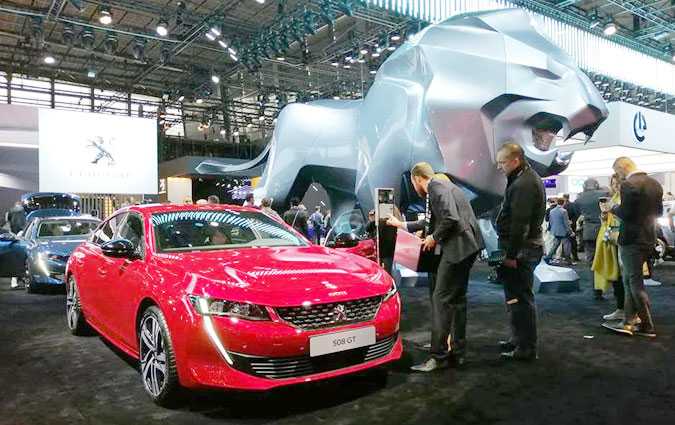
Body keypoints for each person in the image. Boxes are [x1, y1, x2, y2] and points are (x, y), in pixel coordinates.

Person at [387, 162, 483, 372]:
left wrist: (433, 237)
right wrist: (402, 225)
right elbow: (432, 220)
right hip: (467, 247)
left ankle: (438, 356)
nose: (414, 188)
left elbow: (450, 218)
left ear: (417, 178)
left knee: (441, 299)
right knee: (457, 300)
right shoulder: (443, 186)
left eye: (413, 183)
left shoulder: (436, 187)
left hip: (457, 248)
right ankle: (458, 352)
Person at [495, 143, 545, 361]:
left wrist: (511, 255)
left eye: (502, 162)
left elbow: (520, 225)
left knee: (521, 299)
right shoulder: (524, 178)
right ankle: (518, 339)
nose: (499, 167)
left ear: (515, 160)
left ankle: (526, 347)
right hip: (522, 248)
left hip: (521, 250)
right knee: (515, 298)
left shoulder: (524, 183)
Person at [603, 157, 662, 337]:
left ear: (622, 168)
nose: (618, 176)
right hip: (648, 238)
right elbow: (658, 212)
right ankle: (628, 321)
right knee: (630, 281)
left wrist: (612, 208)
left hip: (631, 240)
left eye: (618, 171)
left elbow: (625, 214)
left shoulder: (629, 184)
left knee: (634, 283)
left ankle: (647, 325)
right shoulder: (655, 184)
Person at [593, 174, 624, 320]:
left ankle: (627, 310)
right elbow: (608, 220)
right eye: (613, 183)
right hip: (611, 240)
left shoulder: (624, 198)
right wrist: (605, 215)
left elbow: (624, 217)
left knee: (624, 278)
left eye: (618, 183)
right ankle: (621, 308)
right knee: (616, 276)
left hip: (622, 240)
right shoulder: (614, 198)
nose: (615, 185)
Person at [573, 178, 610, 299]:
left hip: (588, 232)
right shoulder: (604, 194)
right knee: (609, 260)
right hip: (604, 230)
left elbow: (576, 213)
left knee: (592, 263)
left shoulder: (579, 198)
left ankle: (597, 291)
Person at [544, 198, 573, 265]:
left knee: (555, 245)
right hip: (563, 231)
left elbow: (551, 222)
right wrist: (570, 231)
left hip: (555, 231)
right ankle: (568, 260)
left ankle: (548, 257)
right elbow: (566, 223)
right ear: (564, 203)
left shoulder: (552, 211)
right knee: (567, 245)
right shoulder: (564, 211)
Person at [562, 194, 580, 261]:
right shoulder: (572, 205)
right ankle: (575, 257)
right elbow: (576, 214)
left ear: (564, 198)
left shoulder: (563, 206)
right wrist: (573, 221)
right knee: (572, 241)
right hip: (572, 225)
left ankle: (566, 257)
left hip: (565, 225)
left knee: (565, 241)